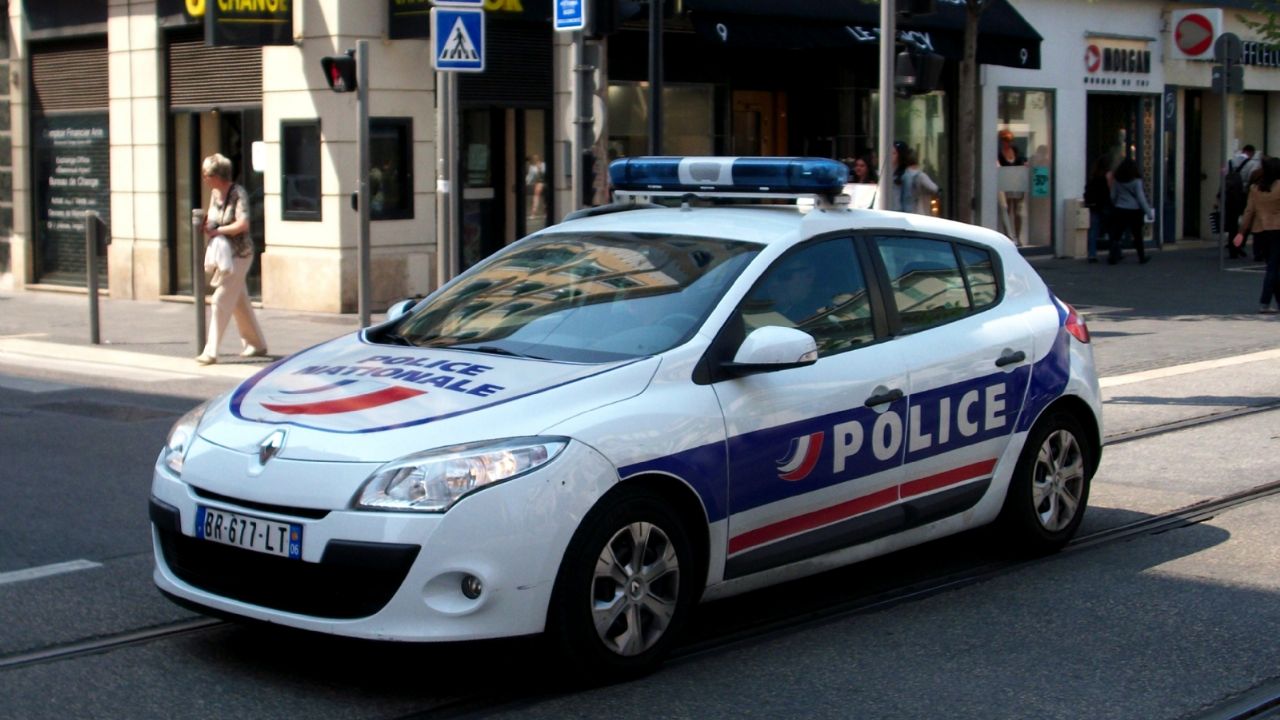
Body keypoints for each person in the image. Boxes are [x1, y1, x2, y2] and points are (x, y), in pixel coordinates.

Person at [196, 153, 267, 365]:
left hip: (241, 254)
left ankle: (211, 351)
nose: (204, 178)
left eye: (207, 174)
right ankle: (256, 344)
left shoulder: (238, 193)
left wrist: (219, 231)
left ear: (218, 175)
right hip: (225, 255)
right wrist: (208, 227)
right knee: (238, 301)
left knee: (220, 299)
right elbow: (213, 219)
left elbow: (242, 224)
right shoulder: (215, 194)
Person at [1233, 156, 1280, 313]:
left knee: (1272, 267)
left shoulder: (1255, 188)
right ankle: (1264, 302)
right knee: (1274, 268)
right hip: (1277, 229)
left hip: (1260, 231)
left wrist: (1241, 232)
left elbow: (1249, 211)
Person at [1108, 157, 1154, 265]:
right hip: (1134, 210)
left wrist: (1116, 204)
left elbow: (1113, 196)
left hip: (1120, 209)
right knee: (1137, 235)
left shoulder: (1117, 180)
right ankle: (1141, 257)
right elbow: (1141, 198)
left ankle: (1113, 256)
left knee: (1117, 235)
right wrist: (1148, 212)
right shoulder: (1136, 181)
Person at [892, 141, 939, 216]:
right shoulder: (888, 176)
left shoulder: (914, 176)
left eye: (894, 153)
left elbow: (934, 189)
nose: (890, 156)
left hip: (909, 215)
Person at [1082, 154, 1113, 264]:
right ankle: (1114, 253)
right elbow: (1109, 191)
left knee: (1093, 231)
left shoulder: (1093, 176)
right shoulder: (1107, 175)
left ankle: (1092, 254)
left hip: (1094, 205)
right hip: (1104, 205)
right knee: (1111, 231)